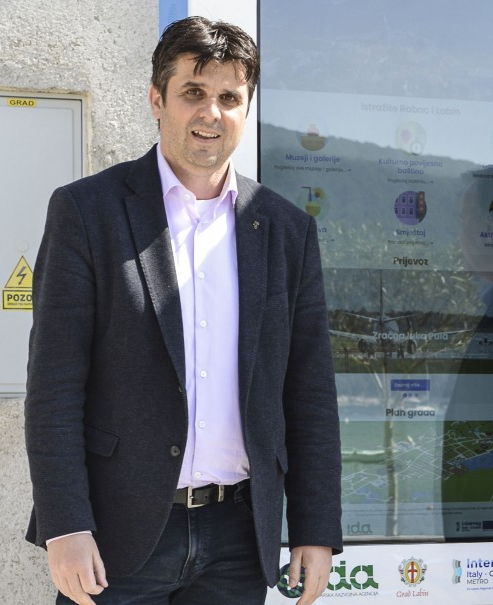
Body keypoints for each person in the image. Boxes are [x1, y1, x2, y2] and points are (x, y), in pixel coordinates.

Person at [24, 16, 342, 605]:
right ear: (157, 99)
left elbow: (310, 392)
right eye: (193, 92)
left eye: (230, 98)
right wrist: (65, 525)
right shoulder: (87, 213)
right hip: (116, 536)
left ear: (246, 108)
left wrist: (315, 527)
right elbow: (54, 386)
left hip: (238, 539)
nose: (210, 113)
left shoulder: (286, 230)